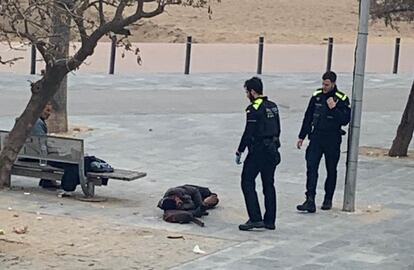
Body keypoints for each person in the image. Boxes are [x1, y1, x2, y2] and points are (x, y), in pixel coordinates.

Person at [296, 71, 351, 213]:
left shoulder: (341, 98)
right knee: (311, 167)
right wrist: (302, 136)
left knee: (331, 169)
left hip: (332, 138)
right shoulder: (317, 95)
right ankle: (310, 199)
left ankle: (328, 199)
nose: (324, 87)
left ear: (333, 83)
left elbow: (345, 120)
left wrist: (334, 108)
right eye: (323, 84)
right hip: (316, 137)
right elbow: (308, 116)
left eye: (327, 84)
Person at [235, 77, 281, 231]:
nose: (247, 95)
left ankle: (255, 218)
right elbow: (278, 128)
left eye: (247, 92)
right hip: (272, 149)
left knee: (247, 181)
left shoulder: (253, 108)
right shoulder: (273, 106)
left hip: (259, 150)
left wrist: (240, 150)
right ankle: (270, 220)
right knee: (269, 184)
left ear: (252, 92)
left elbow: (249, 132)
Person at [31, 102, 80, 192]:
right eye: (47, 110)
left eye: (50, 111)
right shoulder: (37, 123)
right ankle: (67, 185)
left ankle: (47, 180)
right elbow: (42, 145)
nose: (49, 113)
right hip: (35, 156)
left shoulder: (29, 120)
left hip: (27, 154)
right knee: (71, 162)